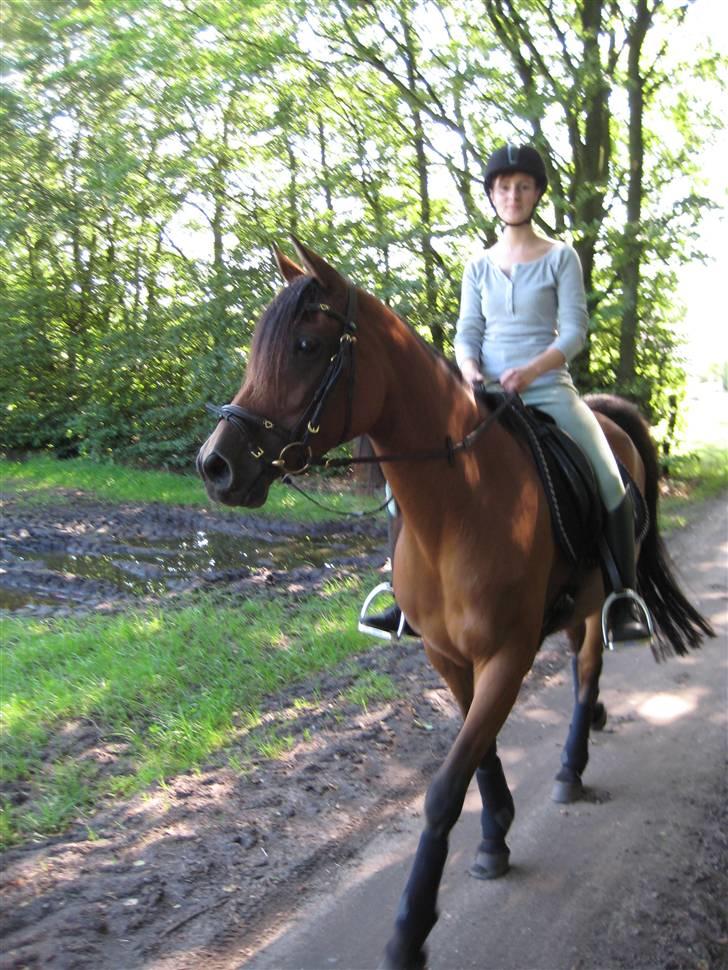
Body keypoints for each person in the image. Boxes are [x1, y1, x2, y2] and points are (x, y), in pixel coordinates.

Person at [361, 143, 652, 647]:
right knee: (398, 485)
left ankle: (622, 598)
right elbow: (467, 331)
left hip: (548, 391)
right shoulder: (478, 265)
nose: (513, 195)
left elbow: (574, 332)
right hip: (484, 395)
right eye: (503, 187)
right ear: (492, 196)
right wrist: (471, 370)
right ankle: (403, 597)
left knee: (610, 478)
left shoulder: (560, 257)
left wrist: (533, 369)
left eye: (522, 187)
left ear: (536, 193)